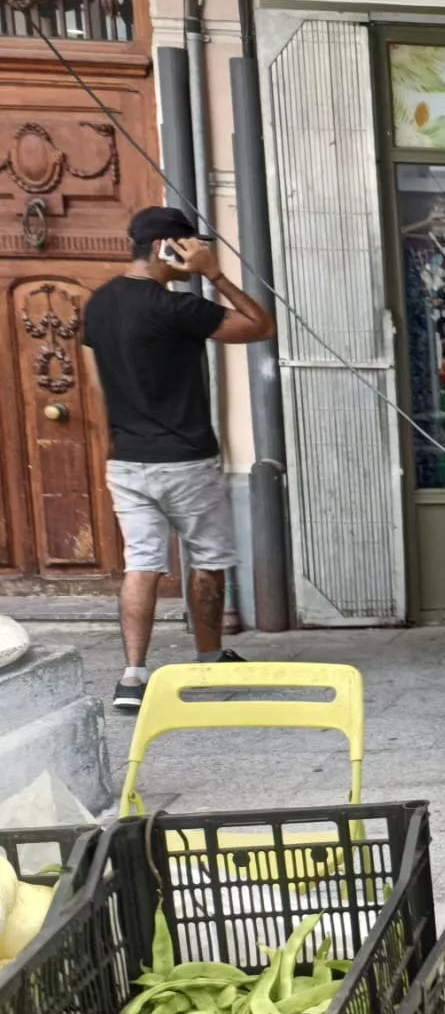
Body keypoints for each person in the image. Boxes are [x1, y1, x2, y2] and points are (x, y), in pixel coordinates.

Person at [82, 207, 276, 712]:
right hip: (187, 459)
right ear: (167, 247)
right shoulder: (179, 308)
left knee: (141, 564)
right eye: (187, 244)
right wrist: (213, 273)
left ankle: (132, 678)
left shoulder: (98, 305)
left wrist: (122, 438)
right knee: (208, 560)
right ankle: (208, 661)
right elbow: (260, 325)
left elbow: (96, 383)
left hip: (127, 460)